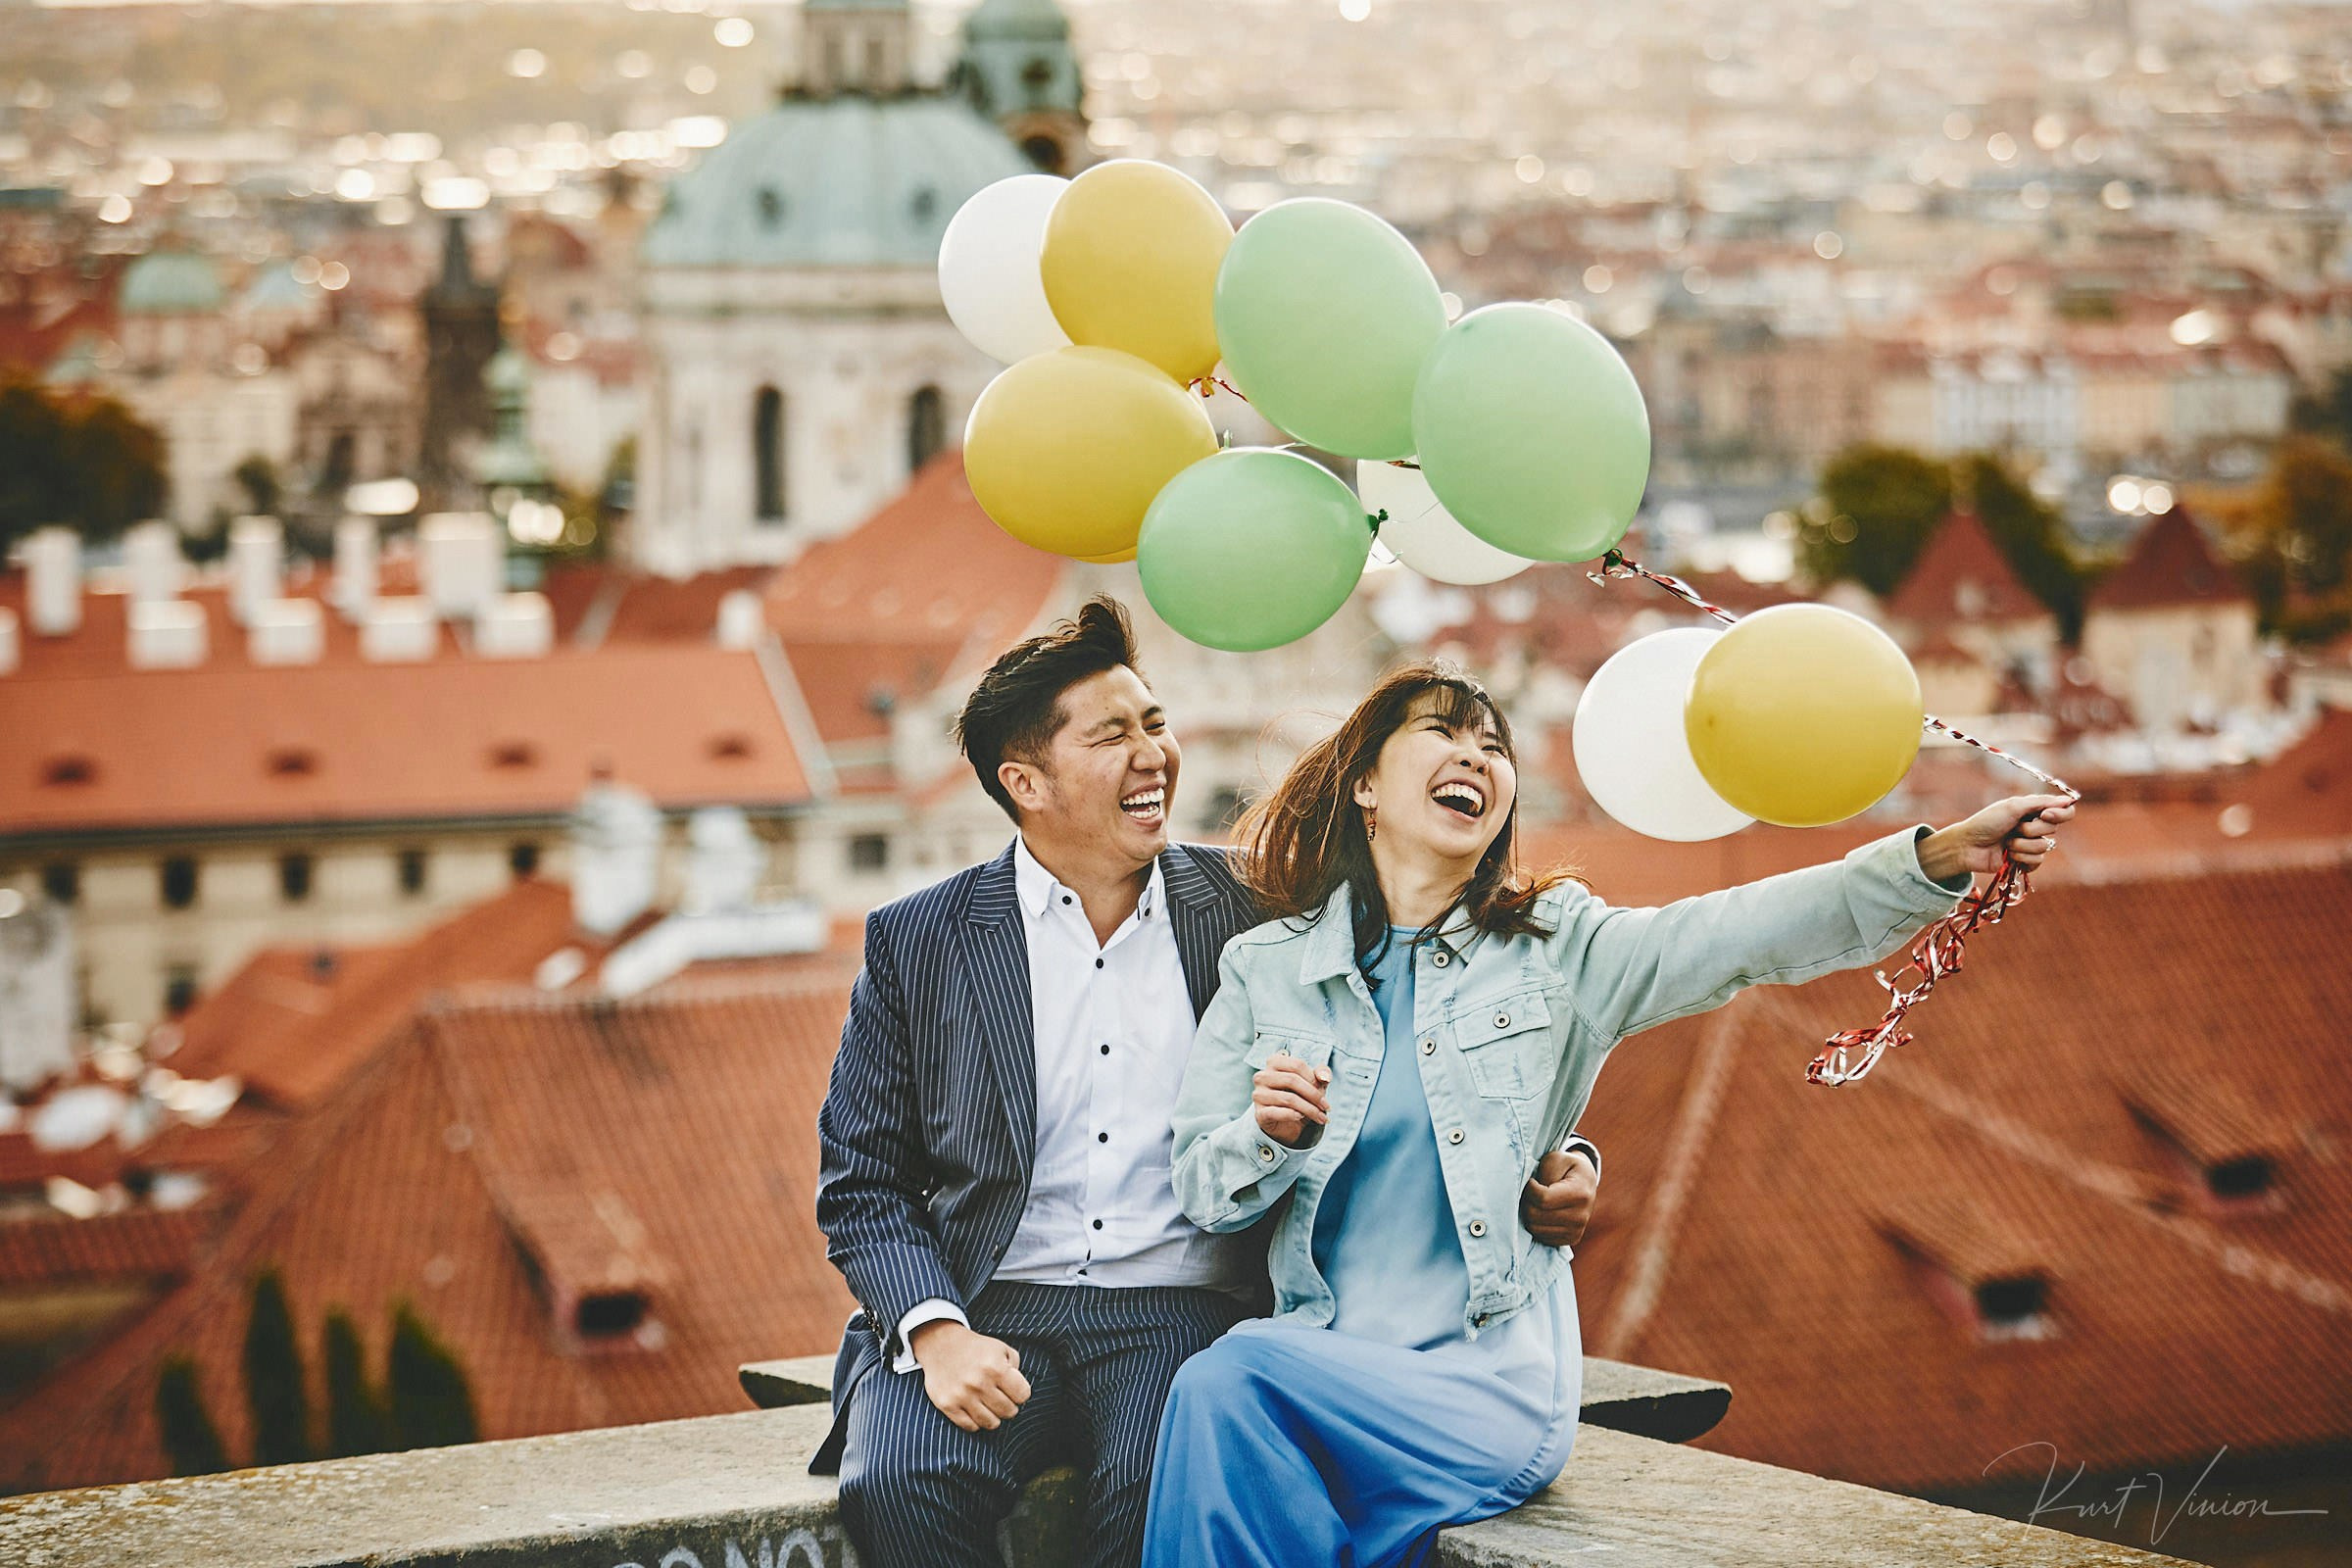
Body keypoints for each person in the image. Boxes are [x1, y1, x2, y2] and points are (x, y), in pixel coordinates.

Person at [1145, 661, 2073, 1567]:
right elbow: (1202, 1190)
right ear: (1364, 788)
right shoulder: (1267, 967)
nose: (1476, 756)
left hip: (1482, 1382)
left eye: (1494, 745)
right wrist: (1264, 1136)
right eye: (1440, 731)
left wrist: (1942, 856)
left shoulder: (1557, 950)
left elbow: (1739, 934)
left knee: (1226, 1379)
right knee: (1251, 1428)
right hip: (1323, 1368)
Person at [811, 601, 1604, 1568]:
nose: (1156, 753)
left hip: (1179, 1309)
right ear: (1026, 780)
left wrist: (1560, 1160)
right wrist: (934, 1331)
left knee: (1156, 1496)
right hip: (983, 1303)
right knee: (901, 1487)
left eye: (1156, 723)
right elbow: (862, 1178)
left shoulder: (1259, 908)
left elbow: (1435, 1013)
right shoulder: (919, 938)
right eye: (1114, 735)